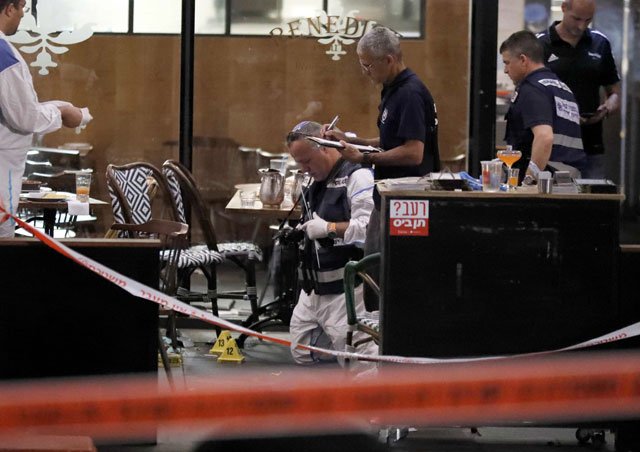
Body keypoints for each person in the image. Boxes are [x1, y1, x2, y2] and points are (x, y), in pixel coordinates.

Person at [323, 25, 440, 310]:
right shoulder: (393, 88)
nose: (365, 72)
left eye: (367, 65)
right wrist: (353, 141)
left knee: (390, 275)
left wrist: (363, 158)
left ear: (388, 60)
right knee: (375, 269)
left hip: (406, 200)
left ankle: (389, 341)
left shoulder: (409, 93)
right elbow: (392, 141)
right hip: (387, 195)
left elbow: (413, 153)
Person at [285, 120, 377, 365]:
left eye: (307, 161)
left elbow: (369, 229)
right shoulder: (315, 178)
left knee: (359, 363)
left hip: (346, 288)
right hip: (314, 287)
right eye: (299, 163)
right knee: (302, 351)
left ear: (325, 148)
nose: (304, 169)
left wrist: (329, 229)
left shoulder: (358, 176)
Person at [0, 0, 92, 238]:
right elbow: (25, 117)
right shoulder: (3, 55)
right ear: (9, 8)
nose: (22, 14)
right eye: (21, 7)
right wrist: (61, 111)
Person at [537, 0, 621, 179]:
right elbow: (530, 95)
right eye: (576, 19)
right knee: (557, 203)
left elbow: (614, 93)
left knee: (593, 202)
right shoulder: (541, 44)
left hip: (591, 144)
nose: (582, 26)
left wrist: (605, 109)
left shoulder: (600, 43)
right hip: (554, 146)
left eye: (588, 20)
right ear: (564, 8)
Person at [500, 30, 586, 181]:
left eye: (507, 63)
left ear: (523, 60)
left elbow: (544, 137)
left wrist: (529, 180)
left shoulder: (532, 89)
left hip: (545, 181)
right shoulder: (561, 88)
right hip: (568, 180)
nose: (506, 70)